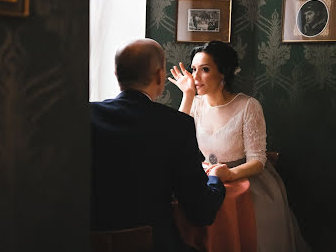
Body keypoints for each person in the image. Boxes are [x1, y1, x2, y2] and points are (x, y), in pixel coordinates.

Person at [169, 41, 311, 252]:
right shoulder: (195, 104)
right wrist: (187, 96)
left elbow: (258, 160)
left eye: (205, 70)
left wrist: (229, 175)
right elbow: (175, 141)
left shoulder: (248, 106)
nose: (195, 77)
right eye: (193, 69)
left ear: (223, 73)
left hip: (247, 183)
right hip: (210, 178)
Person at [90, 38, 227, 252]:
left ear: (117, 74)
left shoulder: (85, 115)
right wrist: (215, 179)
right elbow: (201, 212)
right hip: (154, 245)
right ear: (160, 76)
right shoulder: (177, 125)